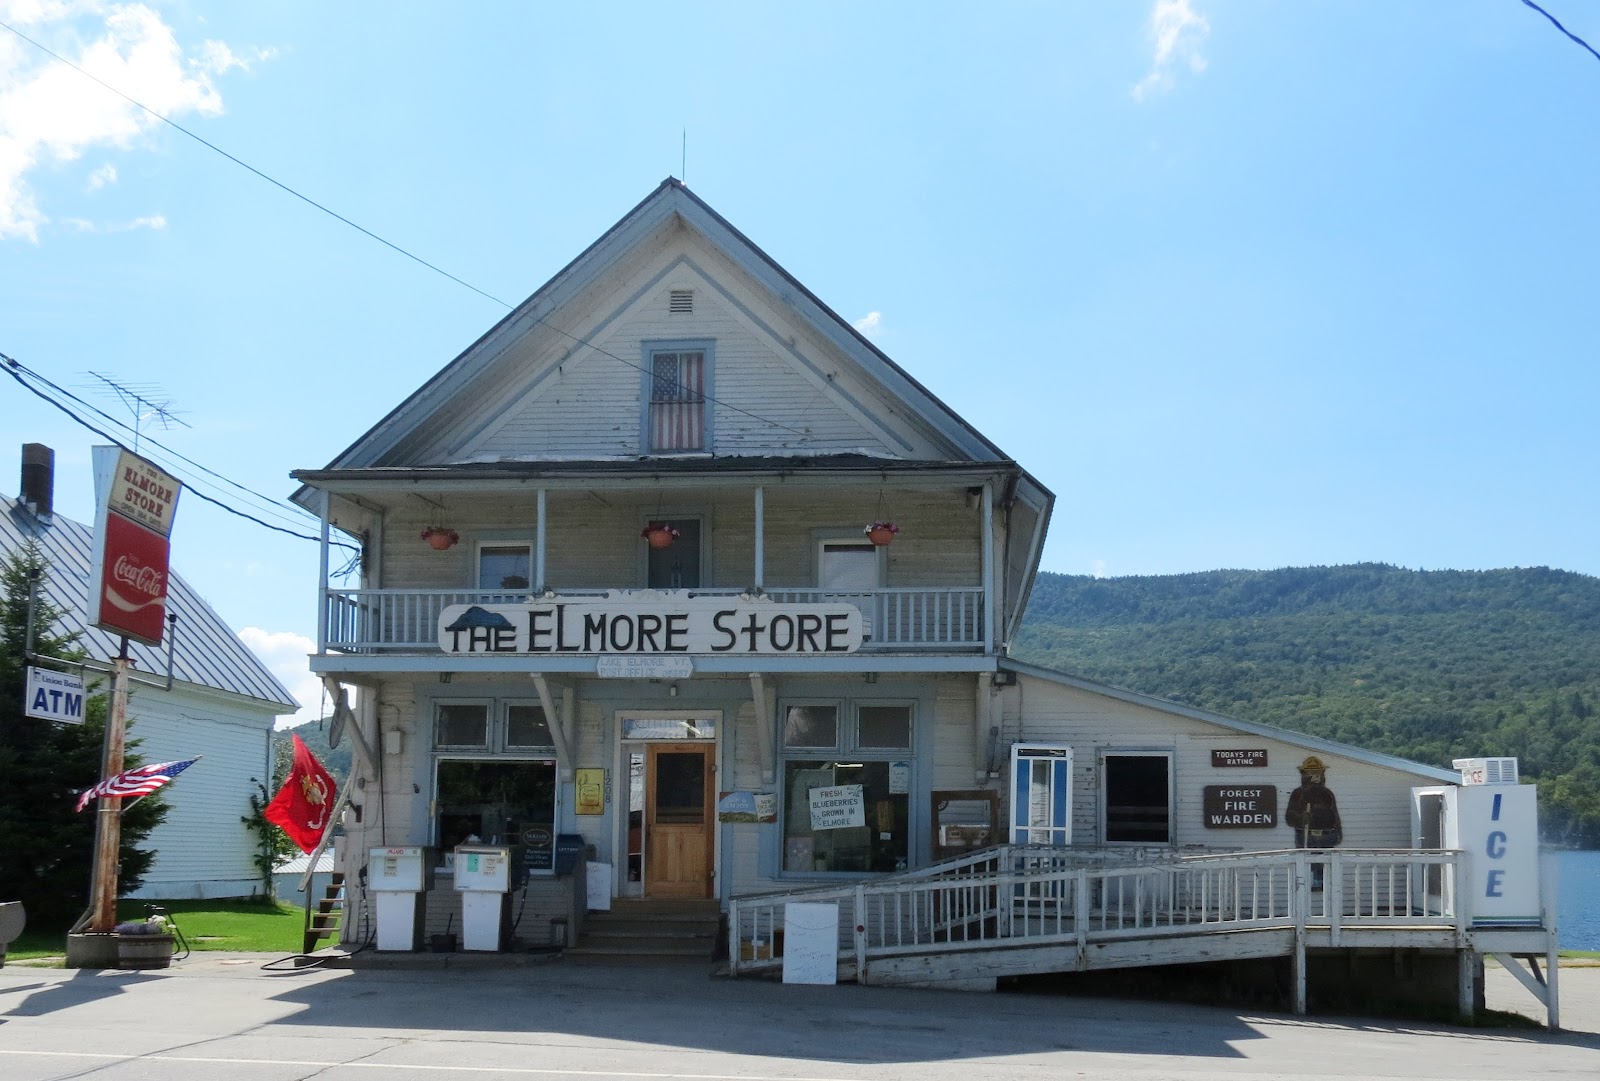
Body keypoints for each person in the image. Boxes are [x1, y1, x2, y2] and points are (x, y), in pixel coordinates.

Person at [1285, 756, 1343, 889]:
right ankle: (1306, 886)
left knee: (1326, 866)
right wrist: (1301, 818)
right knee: (1307, 865)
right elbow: (1289, 816)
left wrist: (1338, 832)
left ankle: (1326, 886)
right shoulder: (1298, 794)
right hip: (1306, 836)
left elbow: (1335, 814)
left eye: (1318, 773)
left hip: (1326, 836)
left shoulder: (1327, 794)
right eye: (1311, 774)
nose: (1315, 777)